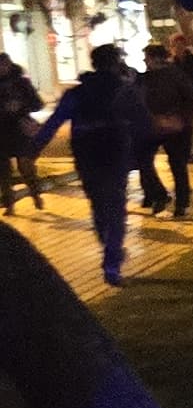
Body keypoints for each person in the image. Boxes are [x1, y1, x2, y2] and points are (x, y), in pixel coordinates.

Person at [33, 44, 155, 284]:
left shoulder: (77, 93)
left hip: (86, 154)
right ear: (114, 63)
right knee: (116, 206)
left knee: (98, 204)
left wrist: (33, 148)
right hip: (115, 152)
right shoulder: (124, 89)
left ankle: (108, 247)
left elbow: (55, 121)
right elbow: (143, 122)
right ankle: (112, 262)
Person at [137, 36, 193, 216]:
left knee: (177, 165)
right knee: (143, 161)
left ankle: (181, 203)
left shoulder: (175, 75)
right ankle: (160, 195)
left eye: (147, 57)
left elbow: (192, 100)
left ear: (156, 58)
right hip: (153, 127)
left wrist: (180, 119)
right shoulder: (145, 78)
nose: (145, 61)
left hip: (177, 128)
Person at [0, 50, 46, 212]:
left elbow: (38, 104)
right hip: (2, 129)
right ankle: (9, 203)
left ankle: (35, 194)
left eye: (3, 65)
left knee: (25, 165)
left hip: (19, 128)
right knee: (3, 170)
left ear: (9, 65)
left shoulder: (21, 82)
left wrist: (20, 106)